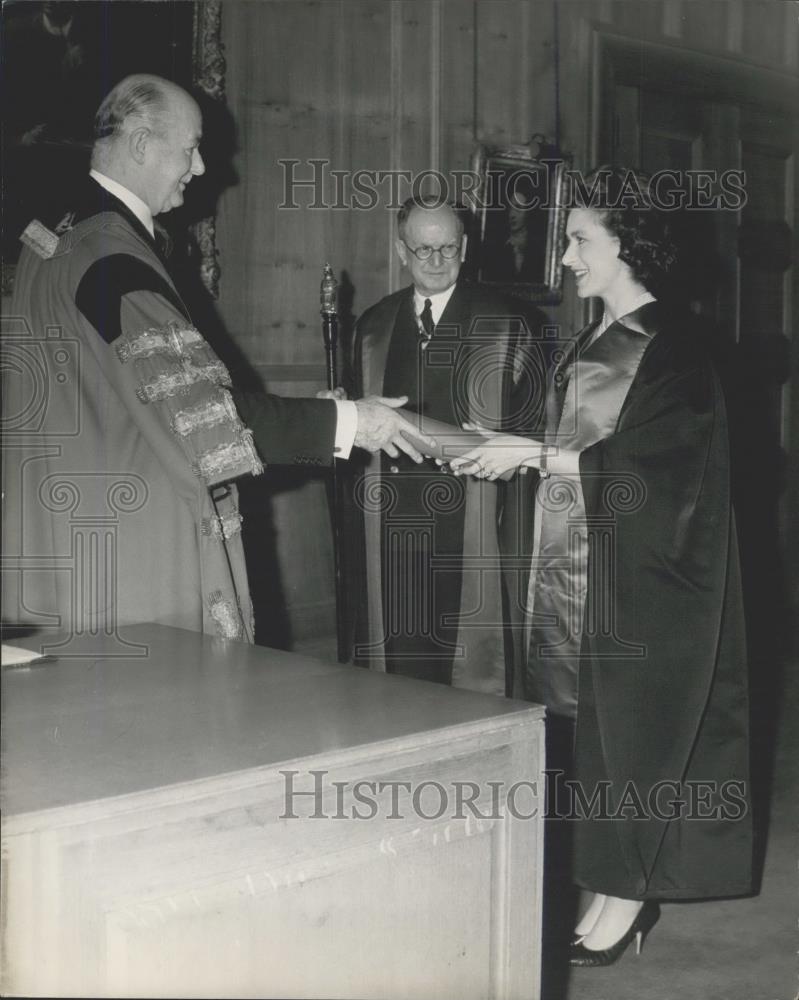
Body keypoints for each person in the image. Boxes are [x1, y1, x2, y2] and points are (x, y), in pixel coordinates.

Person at [1, 74, 430, 643]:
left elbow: (126, 392)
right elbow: (205, 423)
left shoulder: (56, 240)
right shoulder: (114, 261)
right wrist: (354, 420)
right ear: (141, 144)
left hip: (61, 548)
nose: (200, 167)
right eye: (190, 147)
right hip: (139, 565)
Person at [450, 166, 752, 963]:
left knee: (632, 734)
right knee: (583, 732)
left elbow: (659, 468)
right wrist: (515, 451)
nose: (566, 260)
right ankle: (606, 880)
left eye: (580, 240)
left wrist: (537, 457)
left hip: (643, 577)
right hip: (571, 568)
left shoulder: (677, 347)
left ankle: (629, 892)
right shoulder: (589, 341)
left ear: (629, 244)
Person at [349, 195, 545, 692]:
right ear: (400, 251)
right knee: (400, 662)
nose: (435, 262)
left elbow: (532, 437)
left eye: (448, 249)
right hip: (391, 520)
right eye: (422, 250)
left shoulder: (510, 324)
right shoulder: (373, 327)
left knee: (469, 670)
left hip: (476, 519)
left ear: (466, 248)